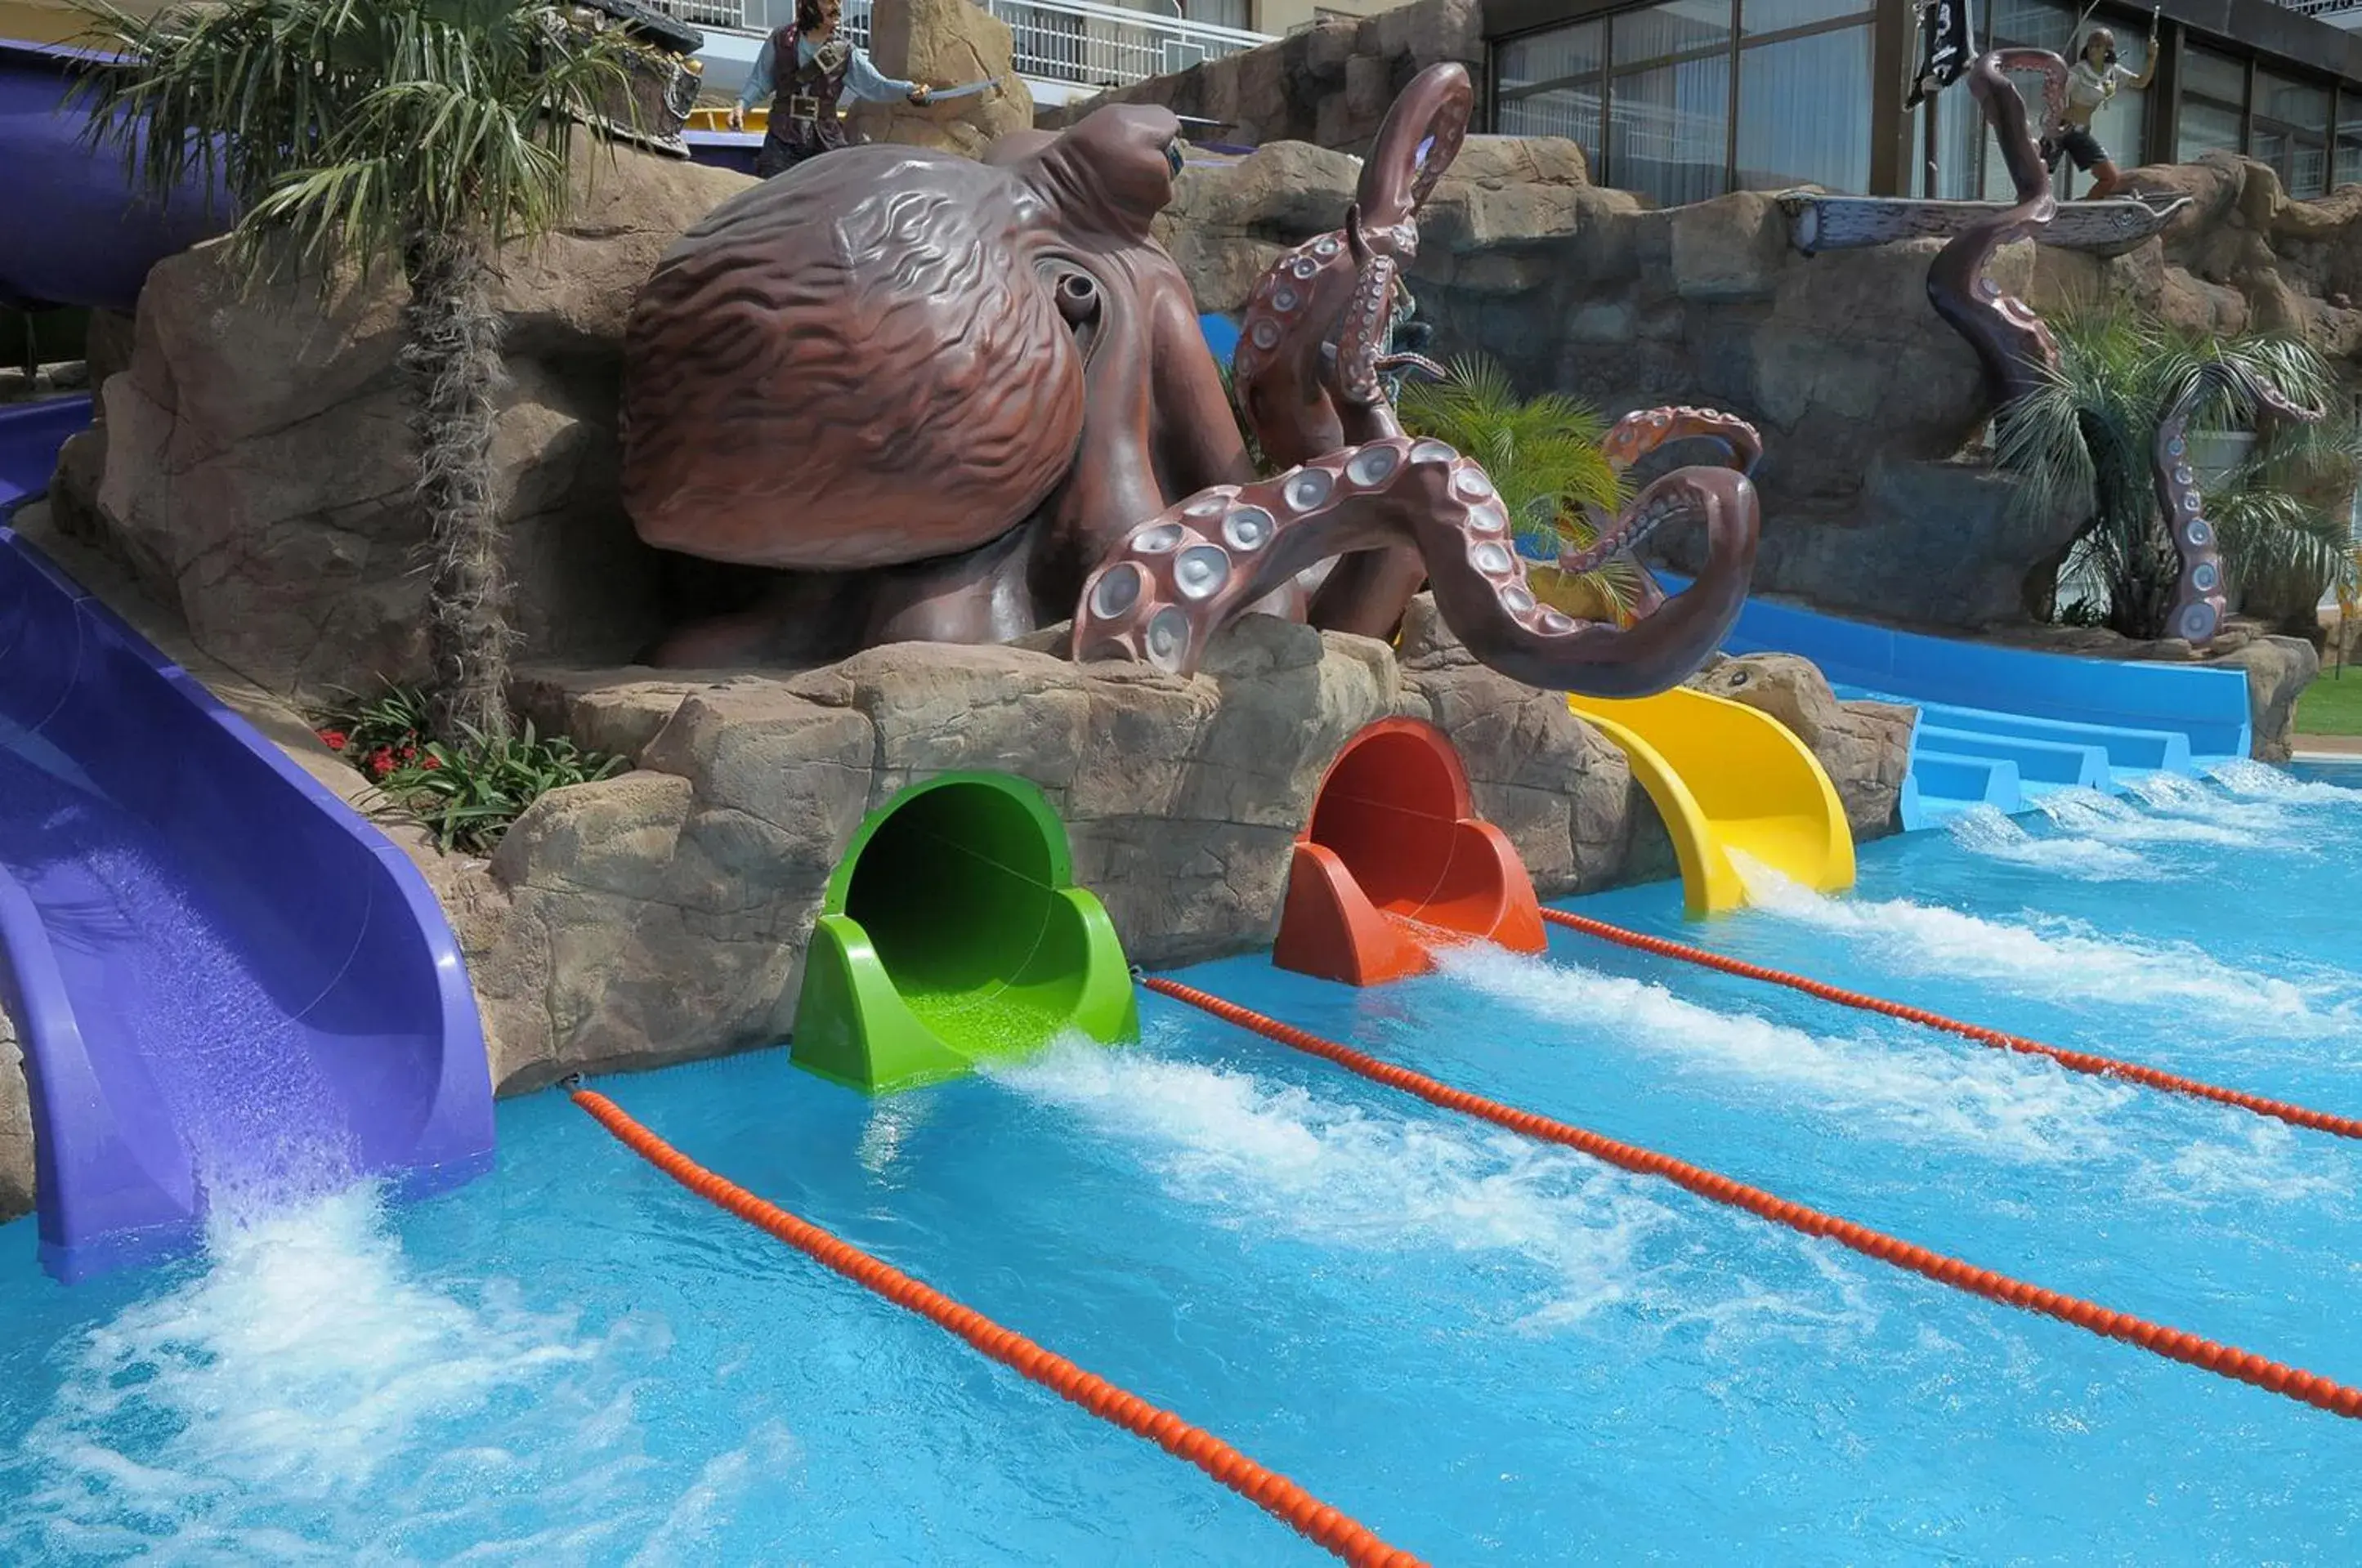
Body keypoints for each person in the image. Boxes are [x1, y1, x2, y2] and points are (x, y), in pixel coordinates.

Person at [727, 0, 932, 180]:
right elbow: (760, 81)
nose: (837, 7)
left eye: (839, 2)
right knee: (771, 202)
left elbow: (876, 86)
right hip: (782, 141)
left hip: (825, 142)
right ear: (808, 5)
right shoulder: (781, 40)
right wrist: (741, 105)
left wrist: (909, 90)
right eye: (828, 1)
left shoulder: (844, 51)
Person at [2045, 20, 2159, 201]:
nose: (2092, 49)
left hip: (2080, 132)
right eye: (2090, 45)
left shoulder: (2112, 72)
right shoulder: (2078, 72)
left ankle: (2084, 211)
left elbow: (2141, 82)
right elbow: (2057, 95)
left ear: (2108, 50)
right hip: (2062, 128)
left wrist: (2152, 57)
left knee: (2110, 178)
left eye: (2097, 46)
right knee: (2038, 177)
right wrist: (2054, 86)